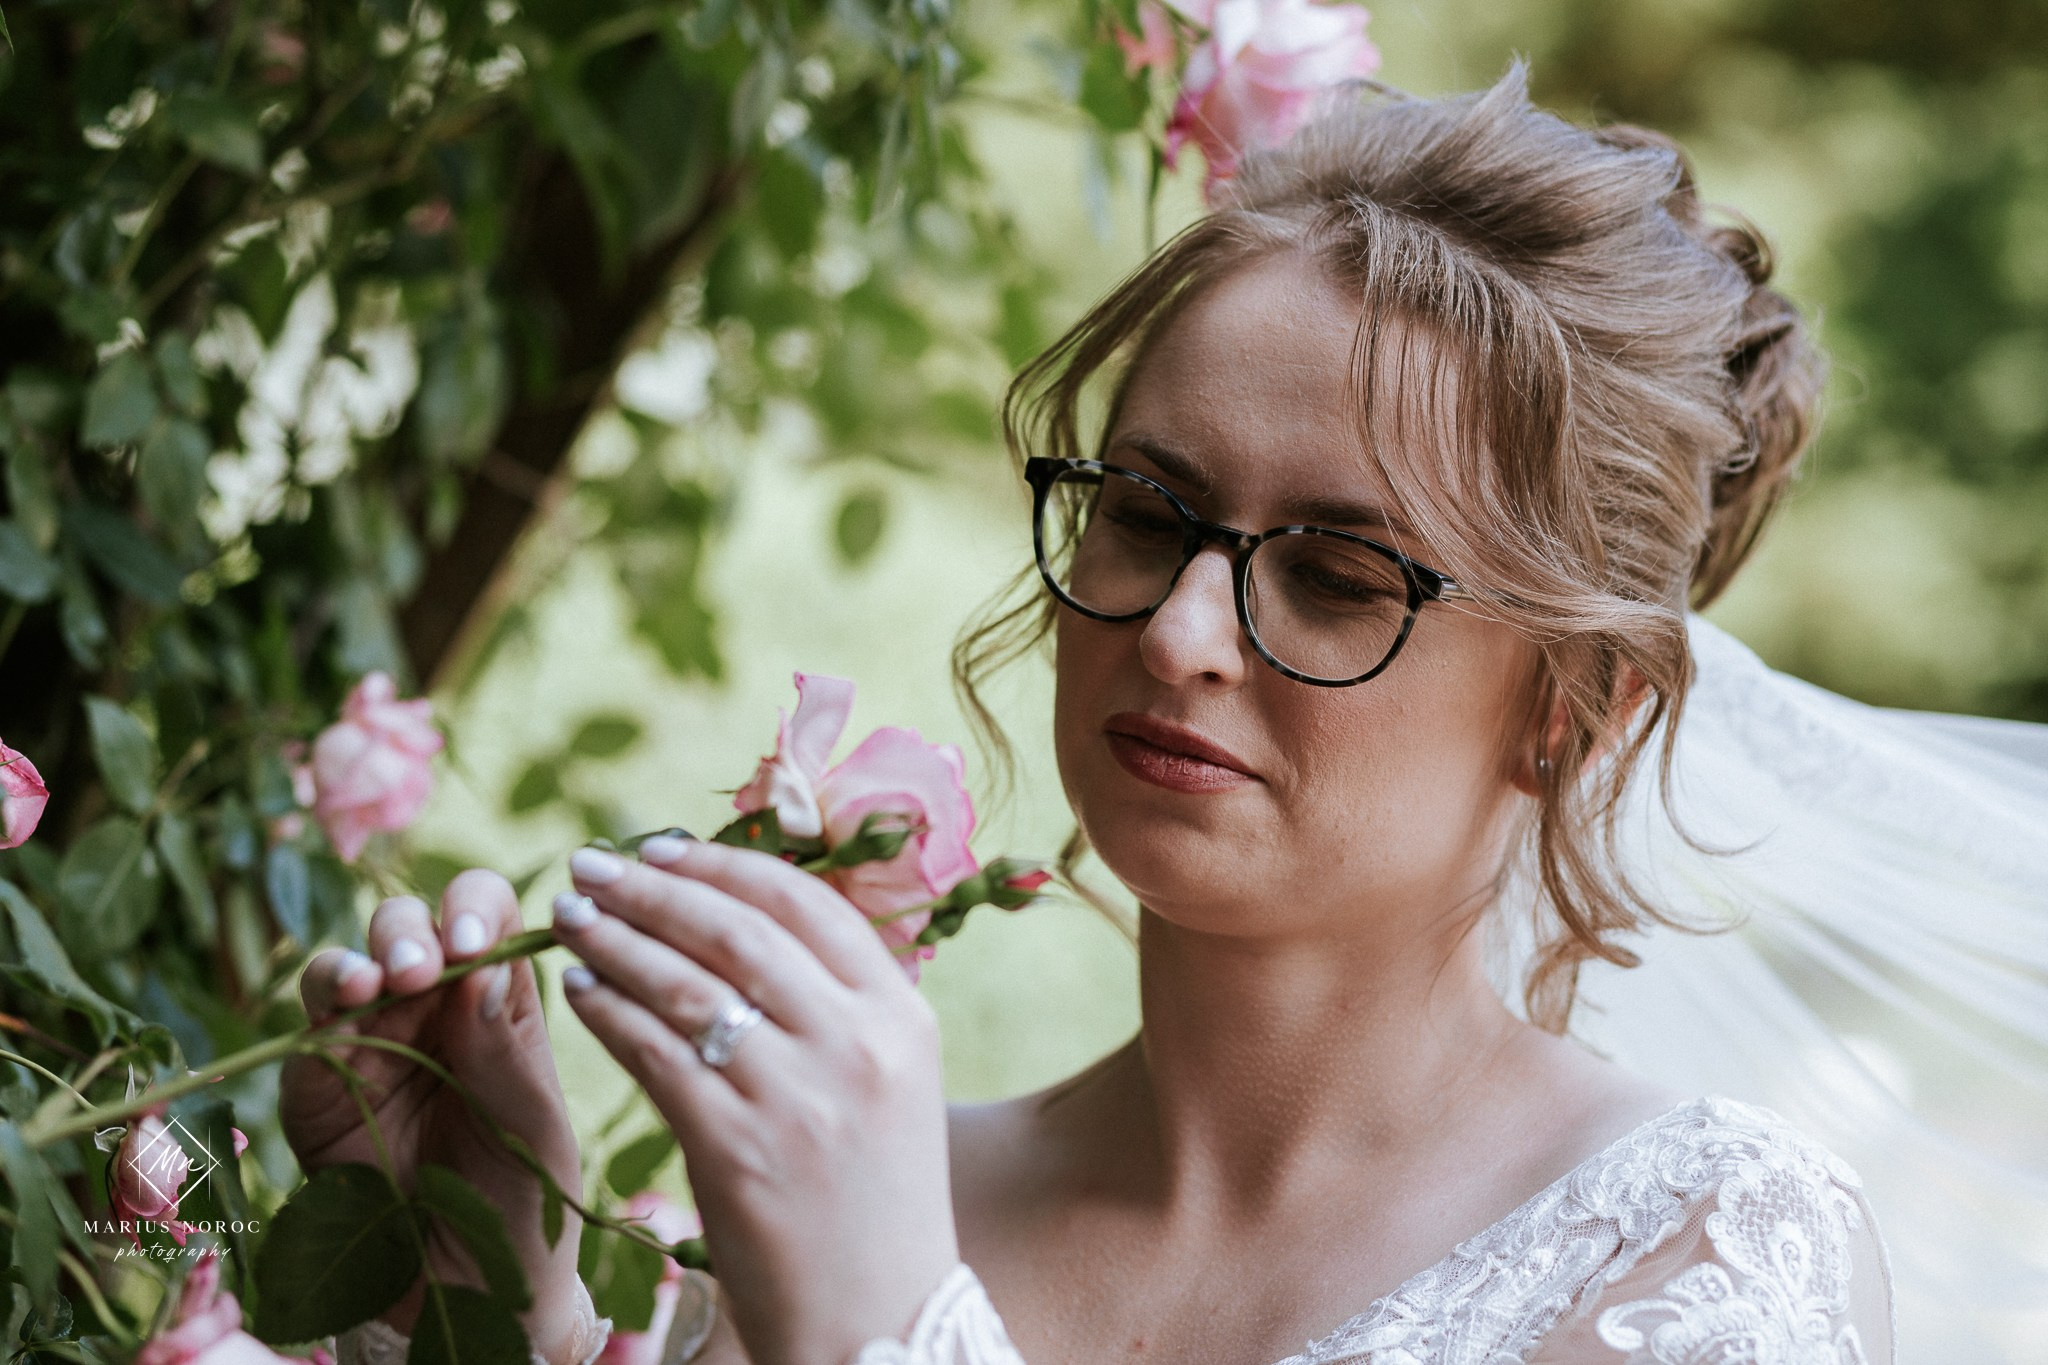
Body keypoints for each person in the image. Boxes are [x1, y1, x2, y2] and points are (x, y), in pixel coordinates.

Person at [280, 67, 1907, 1365]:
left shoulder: (1698, 1244)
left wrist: (882, 1337)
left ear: (1579, 707)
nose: (1186, 628)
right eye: (1145, 508)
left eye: (1339, 574)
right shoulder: (870, 1187)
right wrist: (485, 1307)